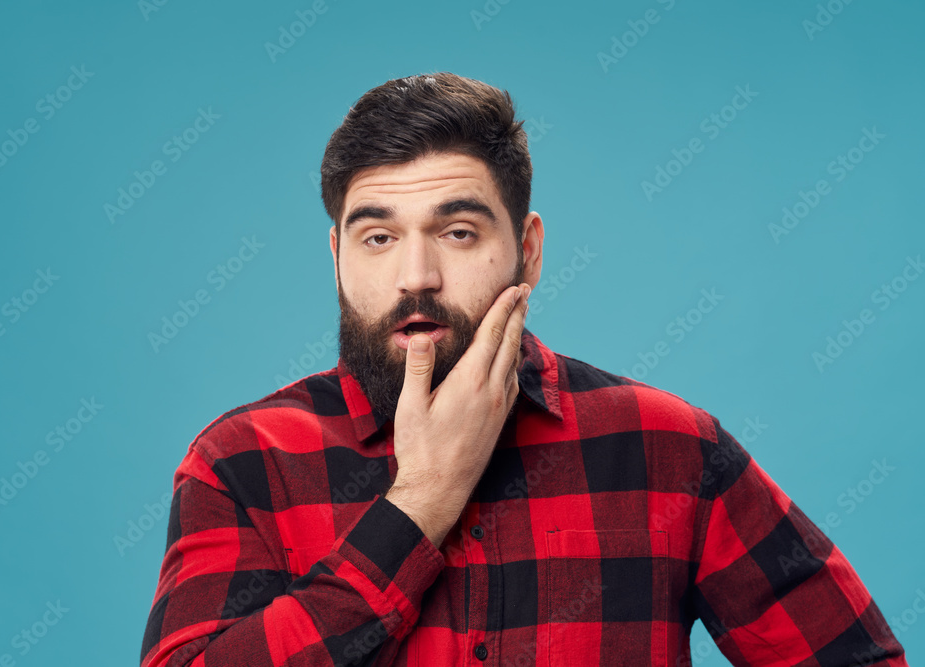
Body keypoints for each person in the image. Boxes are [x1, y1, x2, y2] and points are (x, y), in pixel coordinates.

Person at [140, 72, 907, 666]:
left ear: (527, 251)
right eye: (378, 237)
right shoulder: (242, 462)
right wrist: (417, 506)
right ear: (338, 258)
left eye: (460, 231)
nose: (417, 275)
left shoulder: (671, 448)